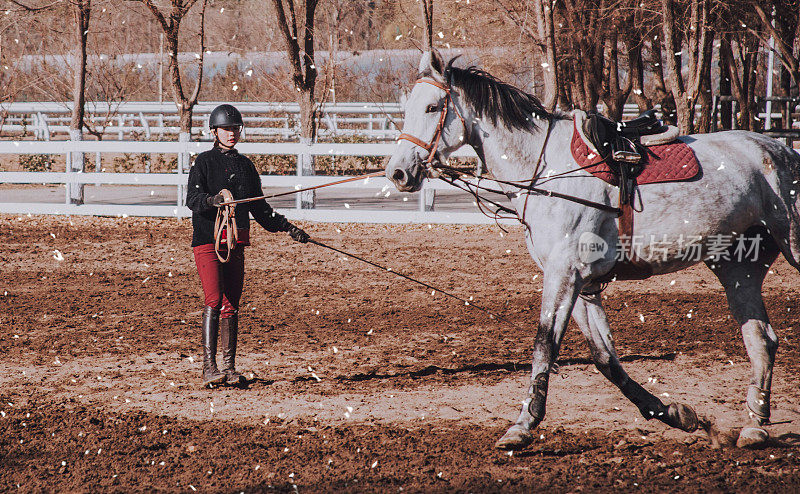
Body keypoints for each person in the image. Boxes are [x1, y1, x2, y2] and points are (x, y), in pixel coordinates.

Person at [186, 104, 310, 387]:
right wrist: (211, 200)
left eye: (235, 129)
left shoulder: (245, 166)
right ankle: (209, 368)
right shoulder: (203, 163)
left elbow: (261, 210)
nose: (231, 134)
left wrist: (289, 228)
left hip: (237, 242)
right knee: (214, 300)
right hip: (208, 241)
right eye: (226, 129)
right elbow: (192, 200)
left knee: (232, 305)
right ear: (214, 132)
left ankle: (228, 369)